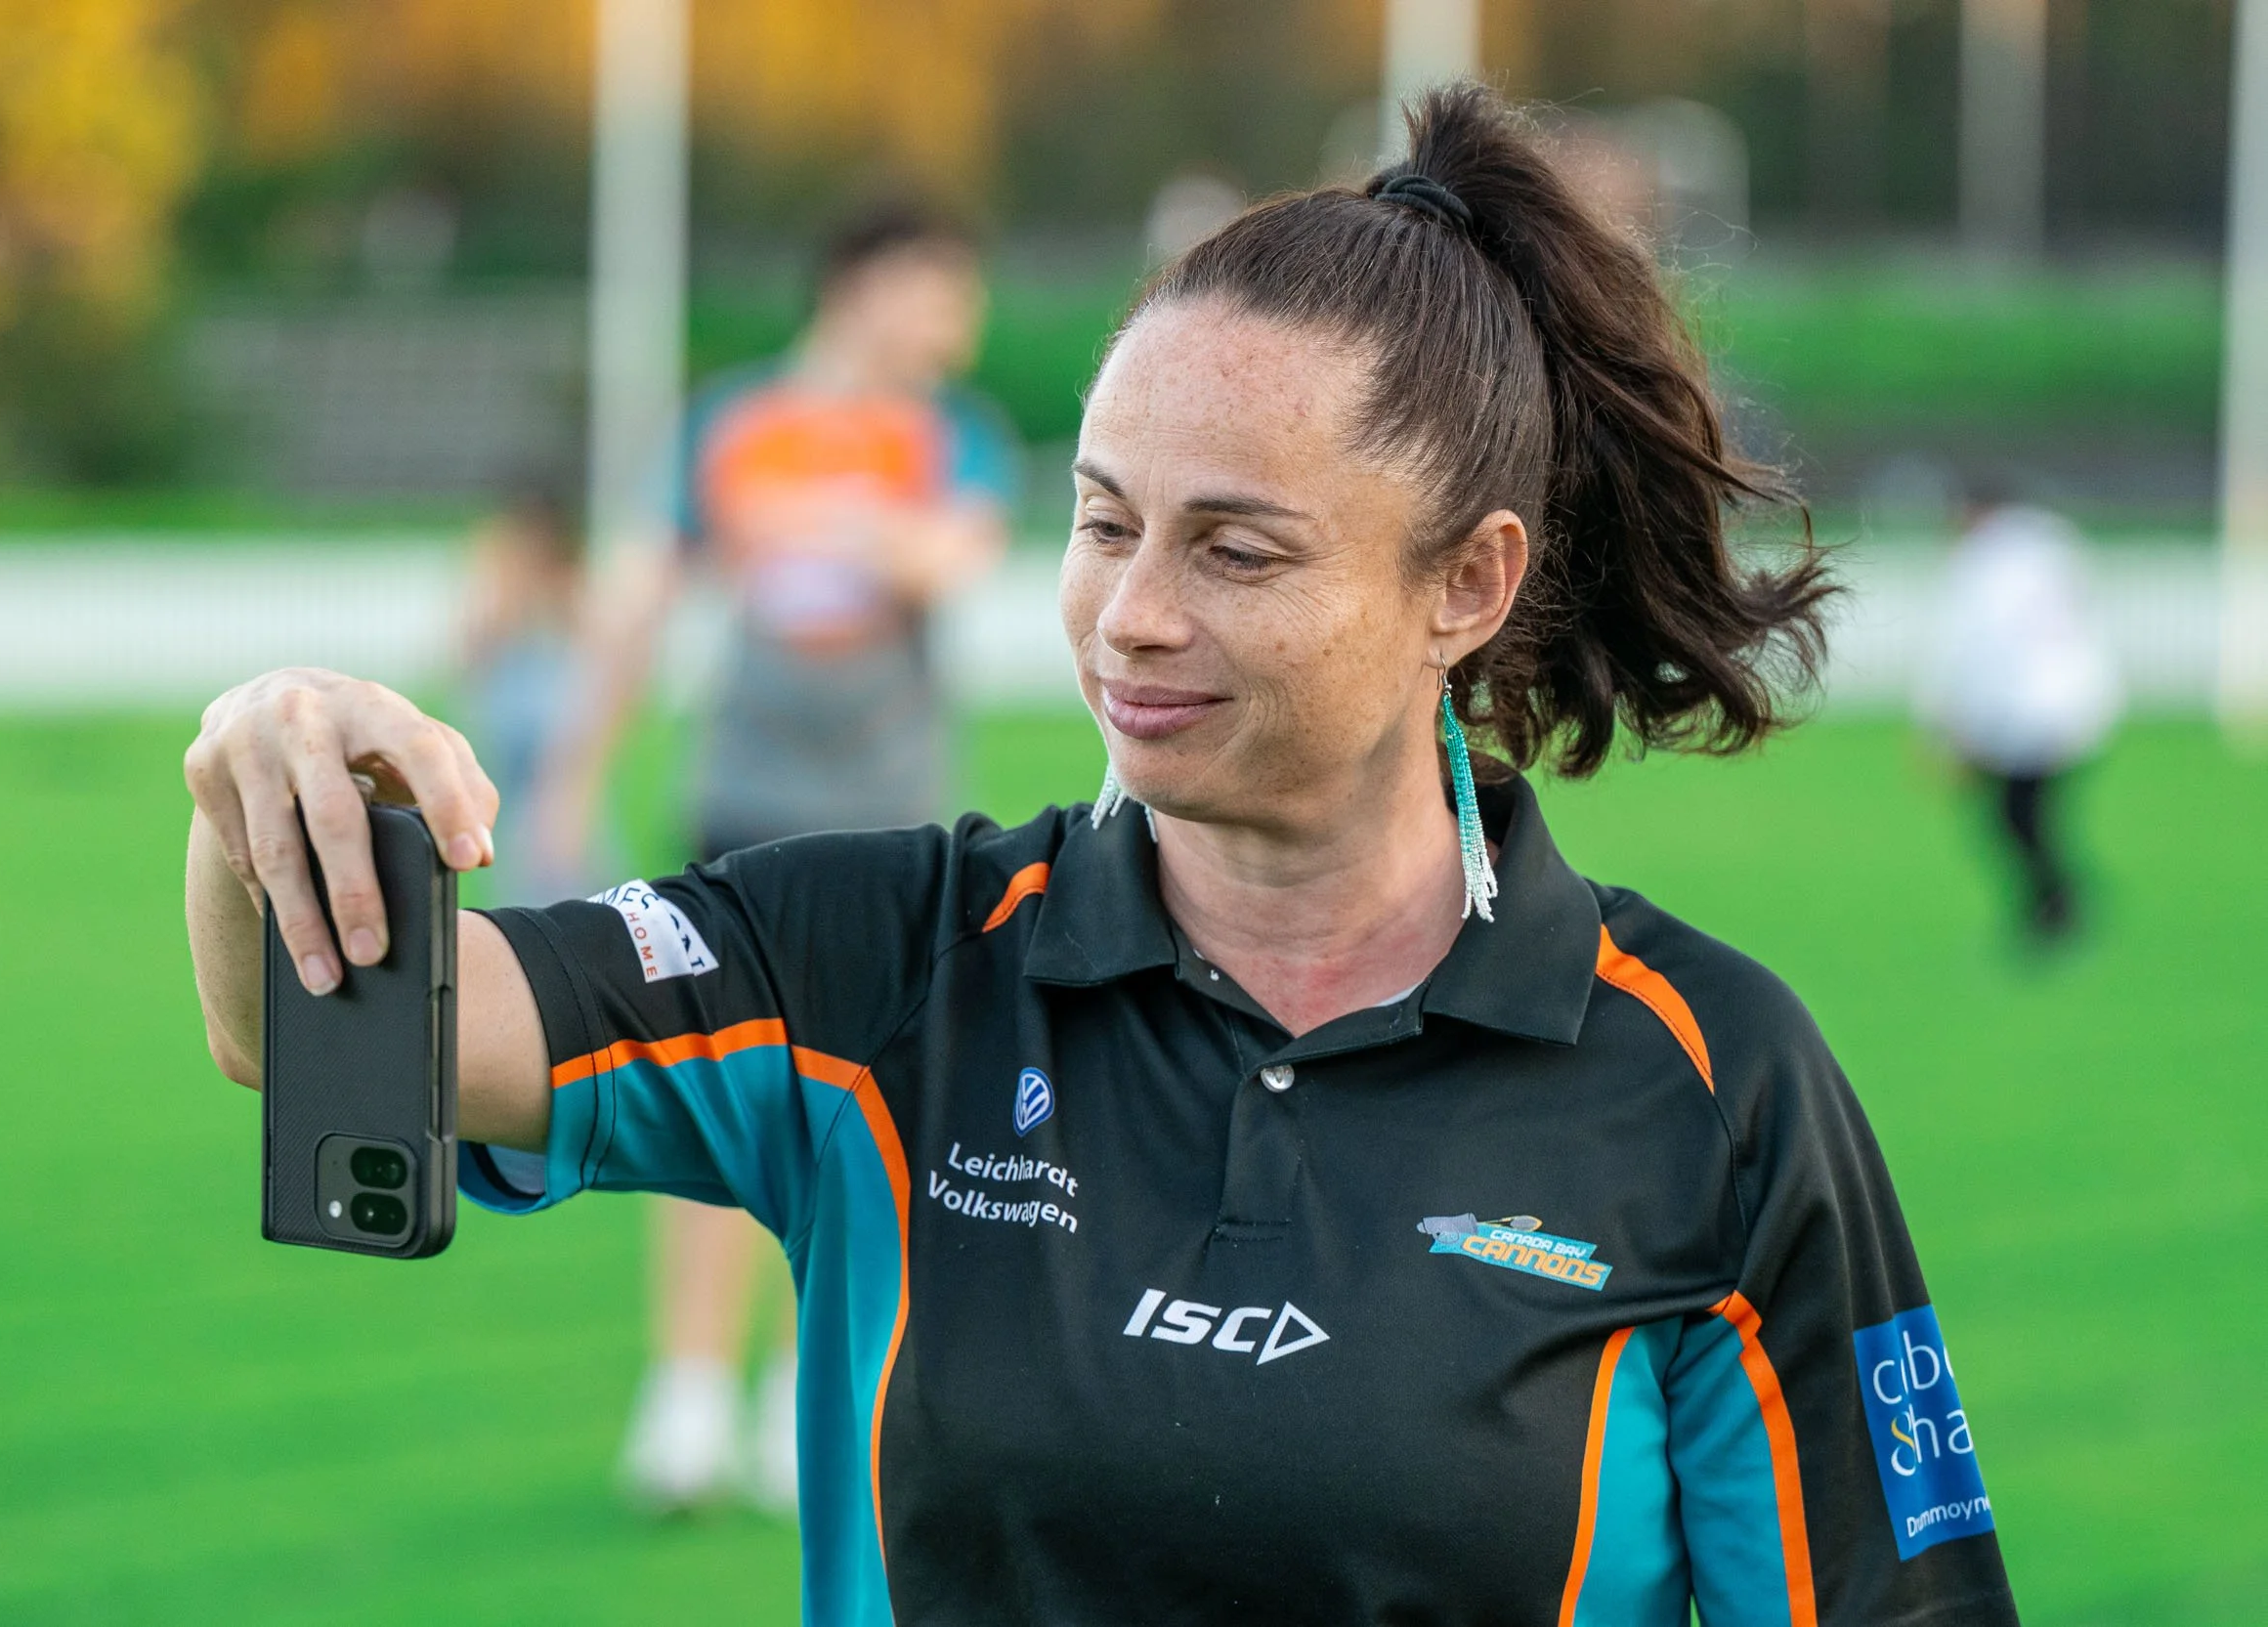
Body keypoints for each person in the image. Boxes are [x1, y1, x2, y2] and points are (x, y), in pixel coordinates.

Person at [185, 83, 2019, 1627]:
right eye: (1103, 523)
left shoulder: (1707, 1083)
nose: (1130, 615)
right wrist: (262, 773)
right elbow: (329, 1028)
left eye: (1236, 550)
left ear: (1469, 585)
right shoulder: (882, 963)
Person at [532, 201, 1018, 1512]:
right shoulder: (730, 425)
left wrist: (821, 522)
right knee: (707, 1095)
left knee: (858, 1115)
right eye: (941, 289)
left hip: (892, 828)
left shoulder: (952, 437)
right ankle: (684, 1395)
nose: (958, 322)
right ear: (865, 285)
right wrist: (571, 774)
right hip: (742, 808)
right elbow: (638, 603)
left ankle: (804, 1397)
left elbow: (950, 558)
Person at [1917, 485, 2120, 944]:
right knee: (2024, 814)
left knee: (2014, 816)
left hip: (2019, 706)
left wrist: (1952, 726)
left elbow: (1974, 645)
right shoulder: (2052, 544)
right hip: (2076, 700)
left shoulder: (1983, 563)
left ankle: (2055, 905)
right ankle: (2053, 904)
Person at [451, 482, 620, 906]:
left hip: (556, 770)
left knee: (570, 888)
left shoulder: (571, 599)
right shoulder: (501, 601)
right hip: (511, 775)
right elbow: (469, 658)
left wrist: (569, 794)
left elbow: (591, 702)